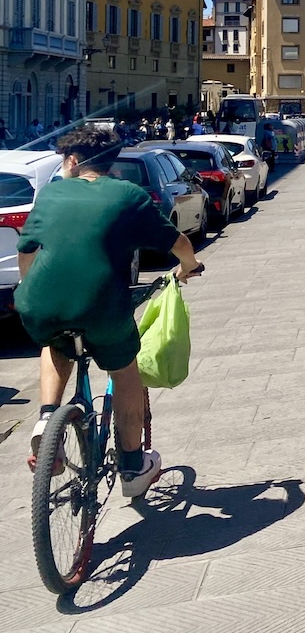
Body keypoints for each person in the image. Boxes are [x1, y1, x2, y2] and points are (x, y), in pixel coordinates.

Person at [14, 125, 202, 497]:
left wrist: (29, 288)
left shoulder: (52, 193)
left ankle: (47, 419)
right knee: (125, 368)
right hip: (102, 305)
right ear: (111, 162)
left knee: (55, 342)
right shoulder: (127, 195)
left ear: (72, 161)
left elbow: (26, 252)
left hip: (41, 301)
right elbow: (177, 241)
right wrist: (188, 266)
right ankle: (132, 467)